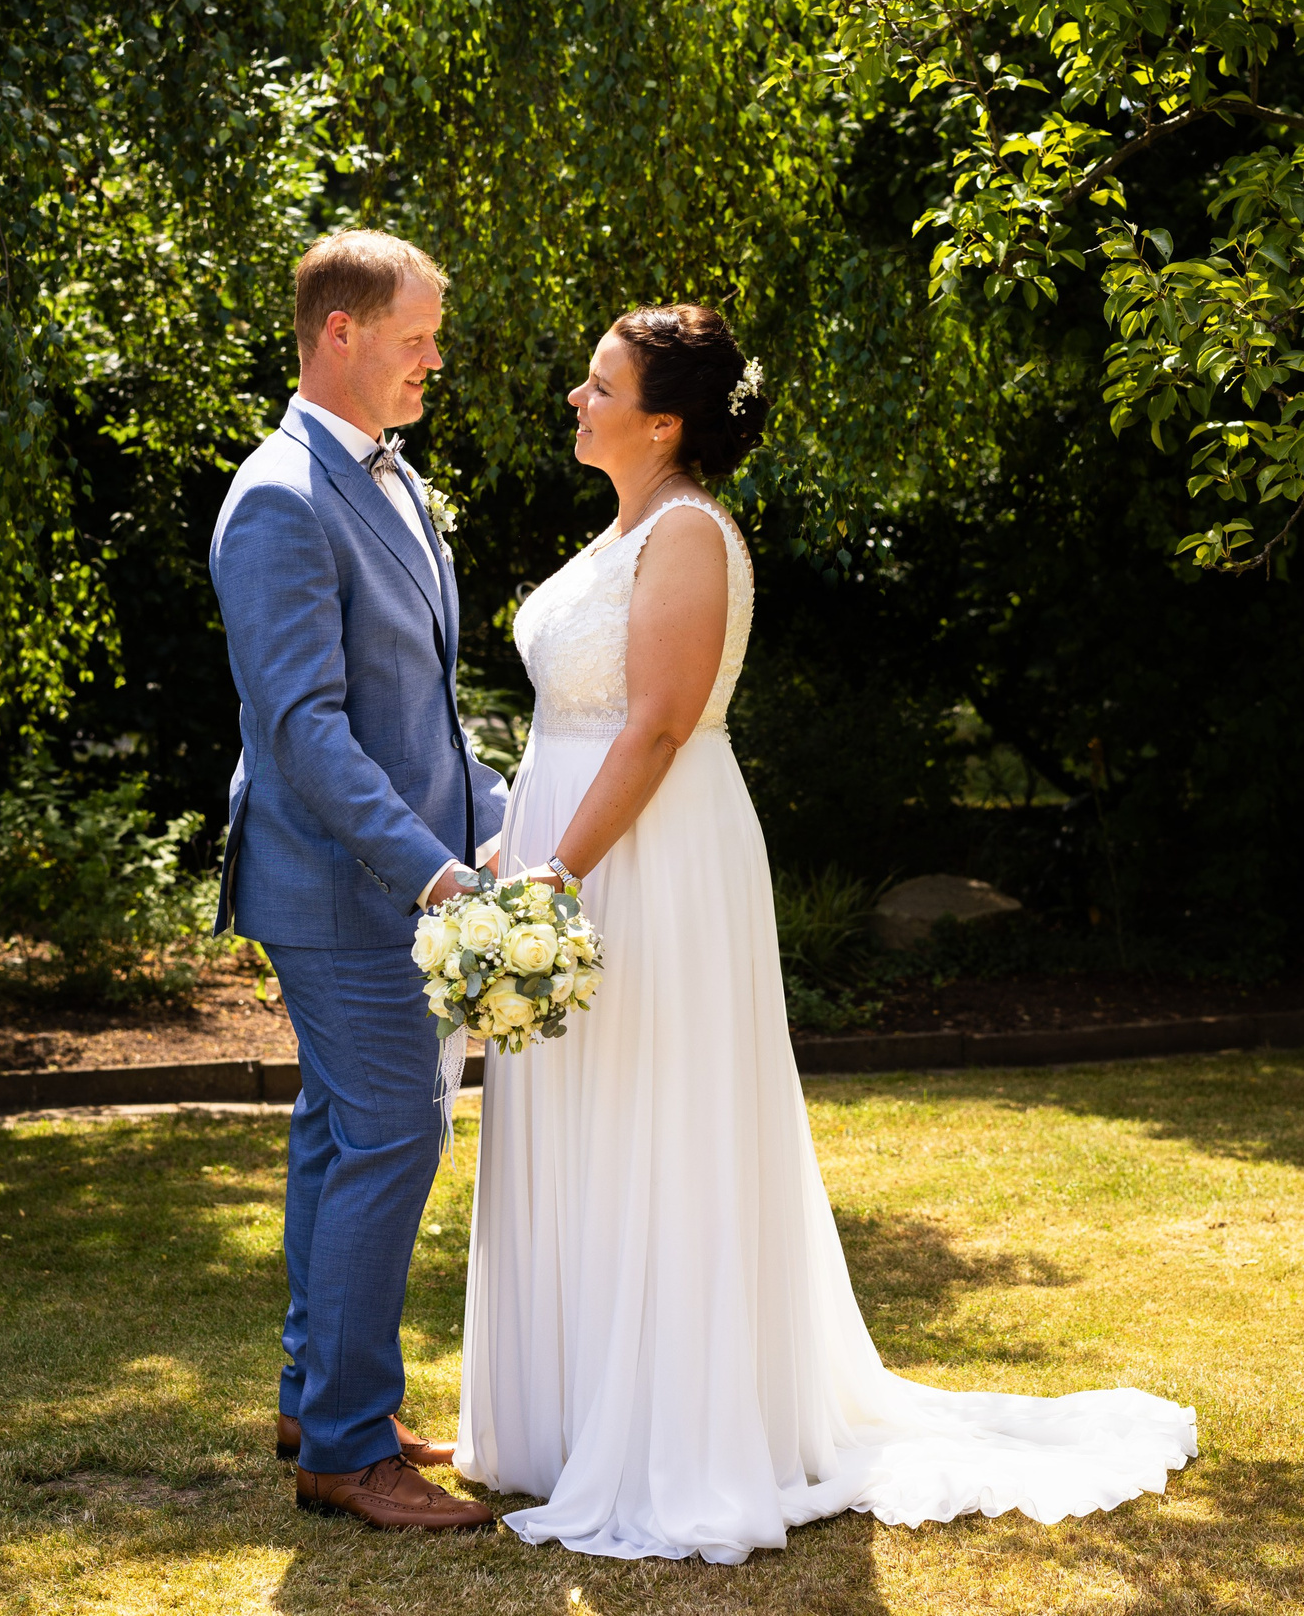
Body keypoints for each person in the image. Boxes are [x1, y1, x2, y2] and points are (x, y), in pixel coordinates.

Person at [455, 303, 1198, 1563]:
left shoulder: (690, 534)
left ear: (665, 419)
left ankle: (675, 1430)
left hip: (649, 861)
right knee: (579, 1111)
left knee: (656, 1116)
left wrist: (551, 878)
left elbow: (654, 726)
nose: (575, 400)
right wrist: (508, 853)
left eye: (598, 385)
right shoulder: (621, 530)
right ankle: (570, 1414)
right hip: (569, 849)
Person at [211, 229, 507, 1531]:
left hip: (400, 875)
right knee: (397, 1132)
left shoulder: (394, 480)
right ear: (342, 333)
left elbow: (422, 712)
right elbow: (304, 733)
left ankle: (315, 1395)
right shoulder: (280, 496)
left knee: (342, 1135)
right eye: (416, 335)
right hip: (340, 889)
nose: (434, 356)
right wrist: (435, 877)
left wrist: (497, 818)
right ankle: (343, 1448)